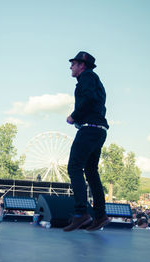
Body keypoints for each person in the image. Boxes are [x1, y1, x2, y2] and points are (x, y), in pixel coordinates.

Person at [63, 51, 110, 232]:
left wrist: (74, 116)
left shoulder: (87, 77)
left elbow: (89, 99)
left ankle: (81, 213)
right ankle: (100, 216)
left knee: (74, 167)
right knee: (91, 172)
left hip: (89, 129)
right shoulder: (95, 80)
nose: (71, 67)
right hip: (99, 130)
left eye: (73, 64)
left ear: (82, 65)